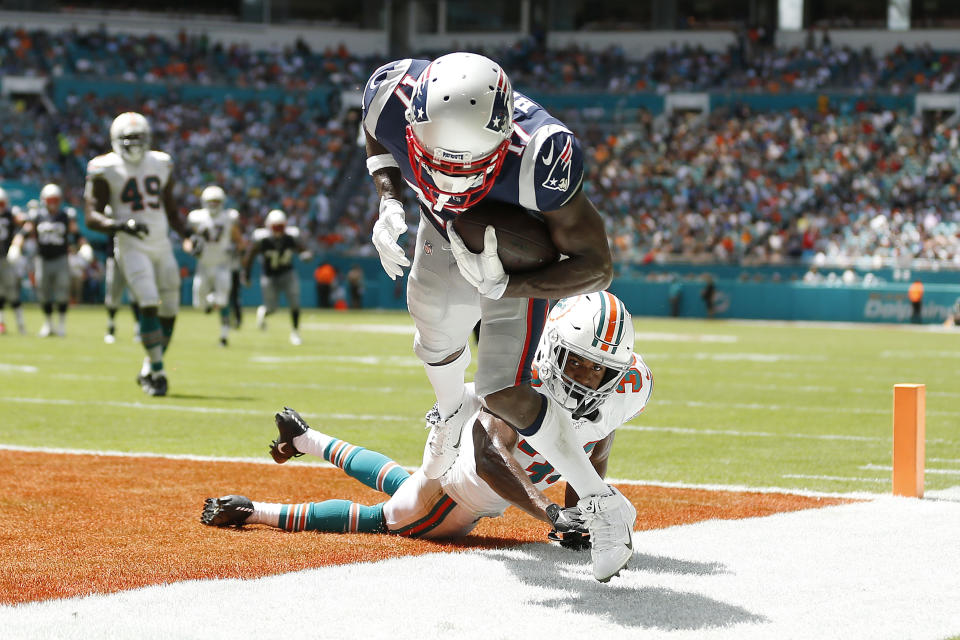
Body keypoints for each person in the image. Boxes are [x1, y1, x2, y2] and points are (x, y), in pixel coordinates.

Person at [362, 52, 632, 580]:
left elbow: (598, 268)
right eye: (437, 156)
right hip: (442, 232)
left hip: (511, 258)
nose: (449, 172)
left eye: (467, 162)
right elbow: (375, 130)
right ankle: (447, 415)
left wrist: (512, 284)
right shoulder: (389, 94)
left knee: (503, 393)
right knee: (431, 328)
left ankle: (605, 506)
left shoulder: (541, 155)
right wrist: (389, 198)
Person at [202, 291, 653, 583]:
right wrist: (554, 513)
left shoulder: (625, 392)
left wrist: (578, 513)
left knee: (404, 481)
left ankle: (304, 438)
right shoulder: (524, 376)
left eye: (598, 369)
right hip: (459, 486)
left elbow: (598, 442)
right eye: (575, 361)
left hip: (457, 466)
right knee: (388, 518)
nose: (585, 379)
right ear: (551, 347)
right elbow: (489, 455)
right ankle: (255, 511)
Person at [84, 111, 188, 397]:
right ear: (116, 140)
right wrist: (121, 224)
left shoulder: (161, 162)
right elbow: (91, 215)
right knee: (147, 300)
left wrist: (188, 235)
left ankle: (149, 366)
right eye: (128, 139)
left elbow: (170, 207)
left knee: (171, 306)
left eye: (139, 138)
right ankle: (158, 371)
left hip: (161, 242)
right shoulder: (104, 167)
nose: (134, 144)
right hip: (131, 244)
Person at [10, 184, 79, 337]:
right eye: (50, 199)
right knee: (43, 293)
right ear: (44, 200)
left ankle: (61, 324)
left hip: (61, 258)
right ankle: (48, 324)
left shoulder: (66, 215)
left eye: (55, 199)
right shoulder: (37, 216)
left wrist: (84, 248)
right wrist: (15, 247)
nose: (53, 203)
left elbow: (76, 234)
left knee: (62, 292)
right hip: (42, 259)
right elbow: (24, 232)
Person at [243, 209, 311, 346]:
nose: (279, 230)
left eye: (281, 227)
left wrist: (306, 254)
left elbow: (303, 249)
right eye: (276, 227)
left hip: (287, 273)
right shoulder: (262, 239)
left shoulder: (291, 237)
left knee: (295, 302)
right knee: (272, 308)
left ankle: (295, 333)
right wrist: (246, 275)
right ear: (269, 226)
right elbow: (249, 256)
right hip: (269, 276)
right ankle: (263, 312)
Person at [186, 185, 243, 347]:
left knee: (223, 300)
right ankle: (211, 301)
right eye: (211, 201)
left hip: (222, 263)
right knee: (199, 304)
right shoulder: (196, 218)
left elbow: (239, 240)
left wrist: (239, 251)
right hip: (203, 264)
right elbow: (187, 239)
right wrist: (191, 248)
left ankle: (224, 336)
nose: (213, 204)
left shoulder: (228, 217)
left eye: (216, 201)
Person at [102, 225, 142, 344]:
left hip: (134, 258)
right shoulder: (114, 212)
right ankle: (111, 327)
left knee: (135, 295)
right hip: (115, 258)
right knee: (113, 295)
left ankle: (138, 329)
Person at [0, 187, 27, 335]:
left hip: (5, 259)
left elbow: (26, 225)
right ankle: (1, 324)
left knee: (12, 292)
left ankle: (21, 324)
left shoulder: (11, 215)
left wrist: (17, 241)